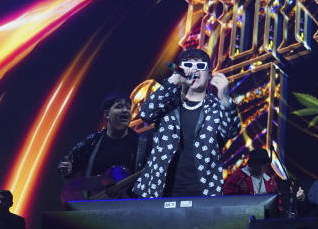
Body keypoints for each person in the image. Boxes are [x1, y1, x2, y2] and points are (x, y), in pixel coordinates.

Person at [134, 49, 240, 198]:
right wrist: (173, 80)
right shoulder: (168, 102)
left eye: (201, 66)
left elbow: (232, 131)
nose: (194, 69)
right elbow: (145, 114)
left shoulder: (217, 107)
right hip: (159, 190)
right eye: (189, 64)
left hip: (202, 191)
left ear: (209, 75)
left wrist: (225, 99)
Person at [58, 94, 151, 200]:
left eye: (128, 107)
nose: (125, 110)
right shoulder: (92, 141)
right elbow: (70, 168)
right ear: (107, 114)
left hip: (128, 207)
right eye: (119, 107)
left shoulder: (142, 143)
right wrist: (67, 169)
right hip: (95, 206)